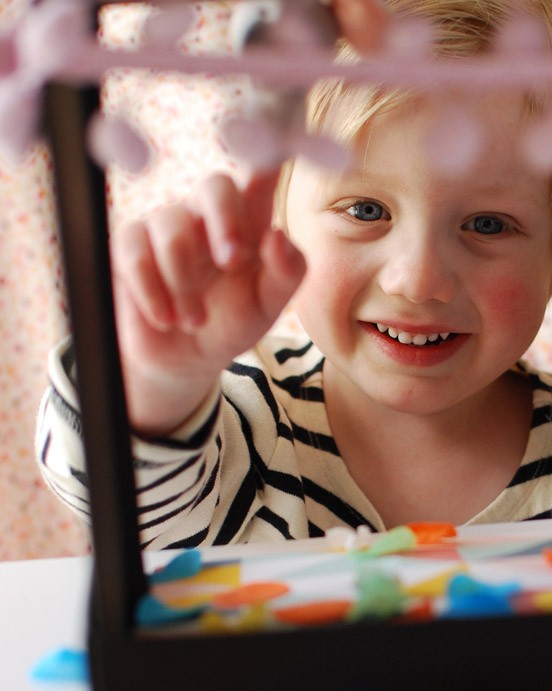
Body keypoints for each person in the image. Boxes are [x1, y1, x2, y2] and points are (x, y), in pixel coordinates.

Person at [37, 0, 552, 550]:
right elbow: (111, 493)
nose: (417, 280)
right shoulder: (244, 419)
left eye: (487, 224)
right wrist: (162, 379)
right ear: (282, 209)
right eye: (365, 211)